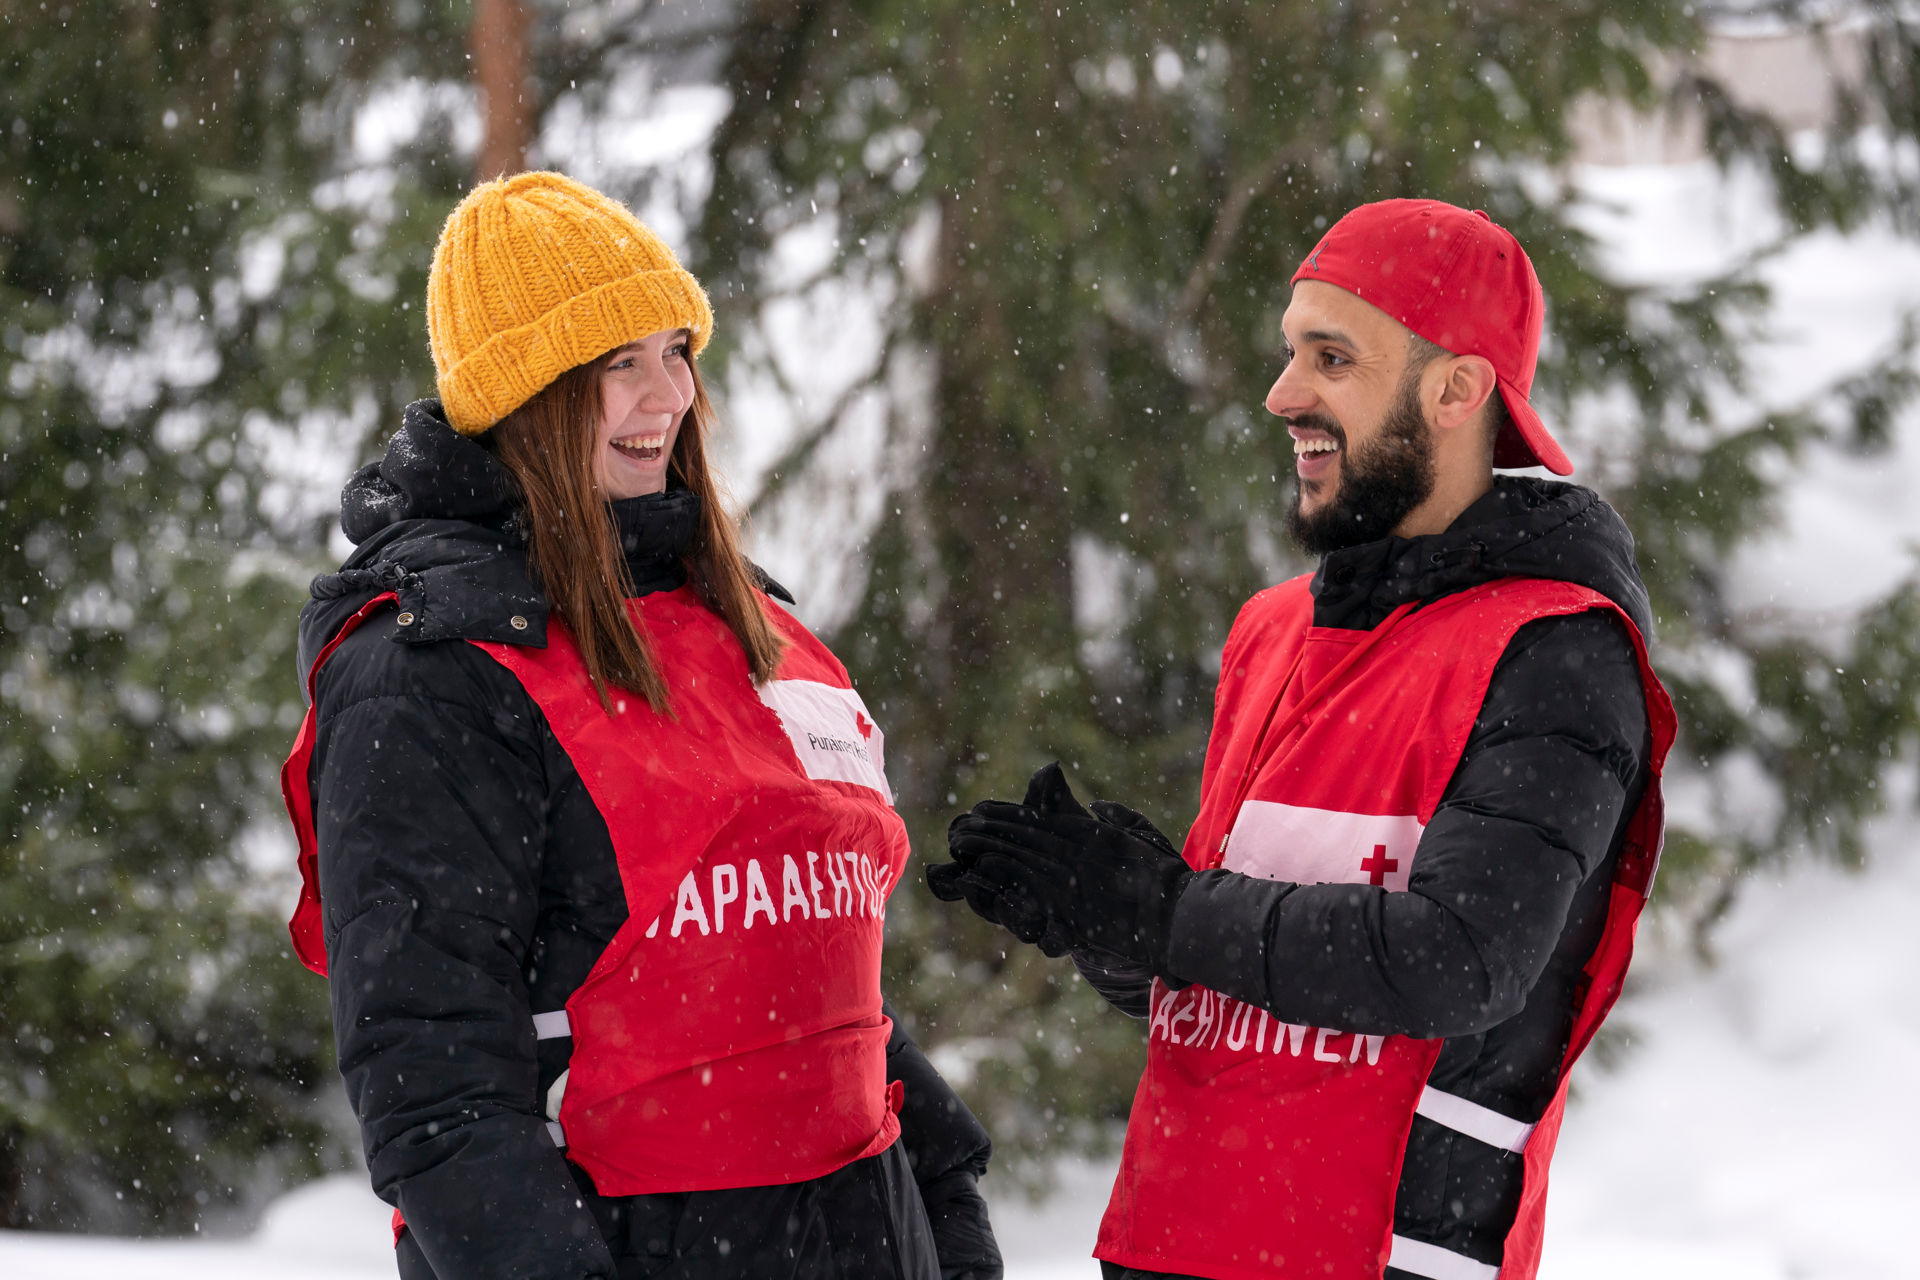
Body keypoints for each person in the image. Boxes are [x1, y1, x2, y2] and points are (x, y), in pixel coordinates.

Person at [928, 199, 1676, 1280]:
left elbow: (1458, 959)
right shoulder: (1277, 630)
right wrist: (1106, 913)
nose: (1284, 394)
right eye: (1290, 352)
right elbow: (1234, 987)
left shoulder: (1555, 647)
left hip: (1377, 1255)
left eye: (1332, 356)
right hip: (1176, 1241)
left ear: (1457, 388)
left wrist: (1166, 909)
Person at [280, 171, 1001, 1280]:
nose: (662, 395)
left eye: (675, 351)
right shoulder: (427, 669)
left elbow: (812, 967)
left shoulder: (751, 624)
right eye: (616, 363)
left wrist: (945, 1200)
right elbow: (433, 1084)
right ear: (526, 392)